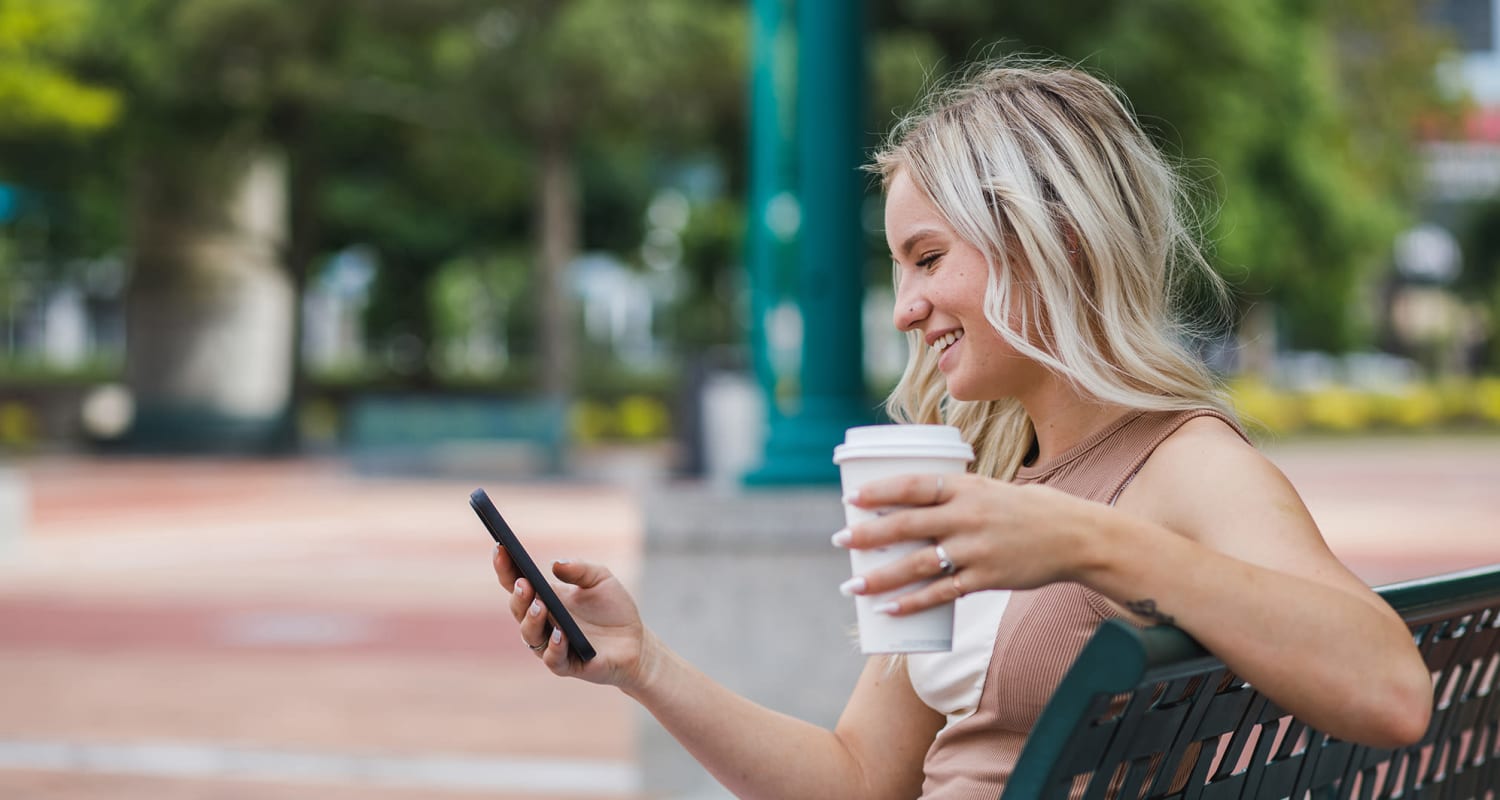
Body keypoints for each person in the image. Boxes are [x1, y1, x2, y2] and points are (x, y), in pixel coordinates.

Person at [494, 60, 1433, 799]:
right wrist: (643, 665)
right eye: (899, 267)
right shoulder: (999, 474)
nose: (906, 309)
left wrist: (1085, 542)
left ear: (1053, 241)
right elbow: (859, 780)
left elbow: (1392, 692)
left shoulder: (1184, 465)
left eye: (929, 258)